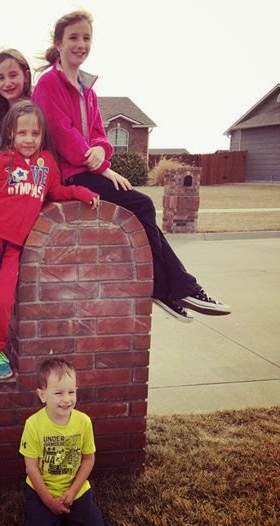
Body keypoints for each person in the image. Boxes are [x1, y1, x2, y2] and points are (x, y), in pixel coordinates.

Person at [32, 10, 231, 323]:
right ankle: (174, 287)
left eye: (86, 38)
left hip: (87, 170)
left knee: (142, 208)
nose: (81, 44)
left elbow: (99, 133)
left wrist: (101, 149)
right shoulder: (48, 84)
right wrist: (100, 165)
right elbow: (62, 133)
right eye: (73, 37)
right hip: (68, 175)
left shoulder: (88, 90)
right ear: (58, 43)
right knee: (142, 204)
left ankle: (171, 288)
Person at [0, 101, 99, 380]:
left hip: (13, 248)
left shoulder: (47, 163)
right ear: (11, 133)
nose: (29, 139)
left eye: (35, 133)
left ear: (43, 135)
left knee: (2, 301)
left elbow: (55, 191)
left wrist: (79, 192)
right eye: (22, 133)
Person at [19, 358, 106, 526]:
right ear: (42, 395)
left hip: (76, 489)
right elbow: (31, 468)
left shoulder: (84, 422)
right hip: (41, 491)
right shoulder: (33, 424)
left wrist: (73, 492)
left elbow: (88, 459)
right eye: (58, 393)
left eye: (71, 392)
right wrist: (49, 501)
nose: (67, 399)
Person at [0, 49, 32, 155]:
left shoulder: (38, 111)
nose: (7, 83)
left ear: (26, 76)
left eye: (13, 75)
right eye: (1, 78)